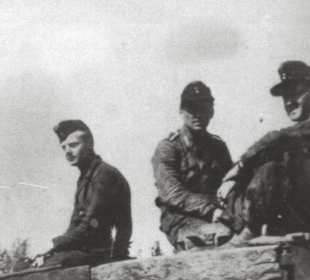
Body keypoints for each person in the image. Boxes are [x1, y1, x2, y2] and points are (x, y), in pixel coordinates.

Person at [218, 61, 310, 244]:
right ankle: (244, 228)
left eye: (295, 93)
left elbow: (279, 138)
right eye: (285, 97)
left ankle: (249, 230)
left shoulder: (296, 134)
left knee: (271, 169)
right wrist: (236, 178)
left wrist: (240, 167)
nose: (289, 102)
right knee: (269, 165)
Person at [152, 81, 233, 250]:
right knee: (208, 240)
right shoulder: (169, 147)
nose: (197, 114)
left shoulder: (218, 147)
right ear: (181, 111)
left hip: (216, 213)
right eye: (191, 108)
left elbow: (231, 185)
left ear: (211, 112)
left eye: (203, 108)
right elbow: (172, 194)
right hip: (180, 216)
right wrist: (211, 210)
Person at [43, 120, 132, 268]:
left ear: (89, 144)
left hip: (104, 253)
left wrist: (55, 244)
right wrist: (55, 248)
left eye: (73, 145)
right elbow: (74, 225)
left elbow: (90, 225)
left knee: (46, 271)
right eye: (64, 147)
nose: (67, 152)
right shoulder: (86, 177)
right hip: (89, 251)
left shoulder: (104, 174)